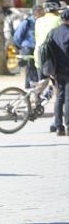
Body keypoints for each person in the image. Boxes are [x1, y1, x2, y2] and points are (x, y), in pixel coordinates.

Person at [48, 8, 69, 136]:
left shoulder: (53, 32)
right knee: (68, 98)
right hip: (67, 70)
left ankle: (58, 127)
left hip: (56, 70)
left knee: (59, 98)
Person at [13, 5, 44, 88]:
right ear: (35, 13)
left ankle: (30, 88)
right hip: (28, 49)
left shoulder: (41, 22)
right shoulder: (27, 22)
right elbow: (17, 36)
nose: (42, 15)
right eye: (40, 13)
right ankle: (30, 88)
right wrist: (22, 47)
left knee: (33, 70)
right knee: (31, 69)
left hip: (37, 49)